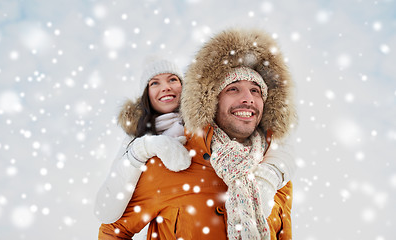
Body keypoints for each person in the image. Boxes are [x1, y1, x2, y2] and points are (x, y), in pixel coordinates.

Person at [98, 28, 297, 240]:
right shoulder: (167, 164)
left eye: (256, 90)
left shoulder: (276, 175)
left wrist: (268, 177)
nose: (248, 98)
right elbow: (113, 231)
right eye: (233, 89)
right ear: (212, 100)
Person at [94, 56, 192, 223]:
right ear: (146, 95)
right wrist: (143, 149)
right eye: (155, 83)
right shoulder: (135, 139)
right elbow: (105, 211)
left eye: (172, 79)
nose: (166, 88)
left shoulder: (204, 126)